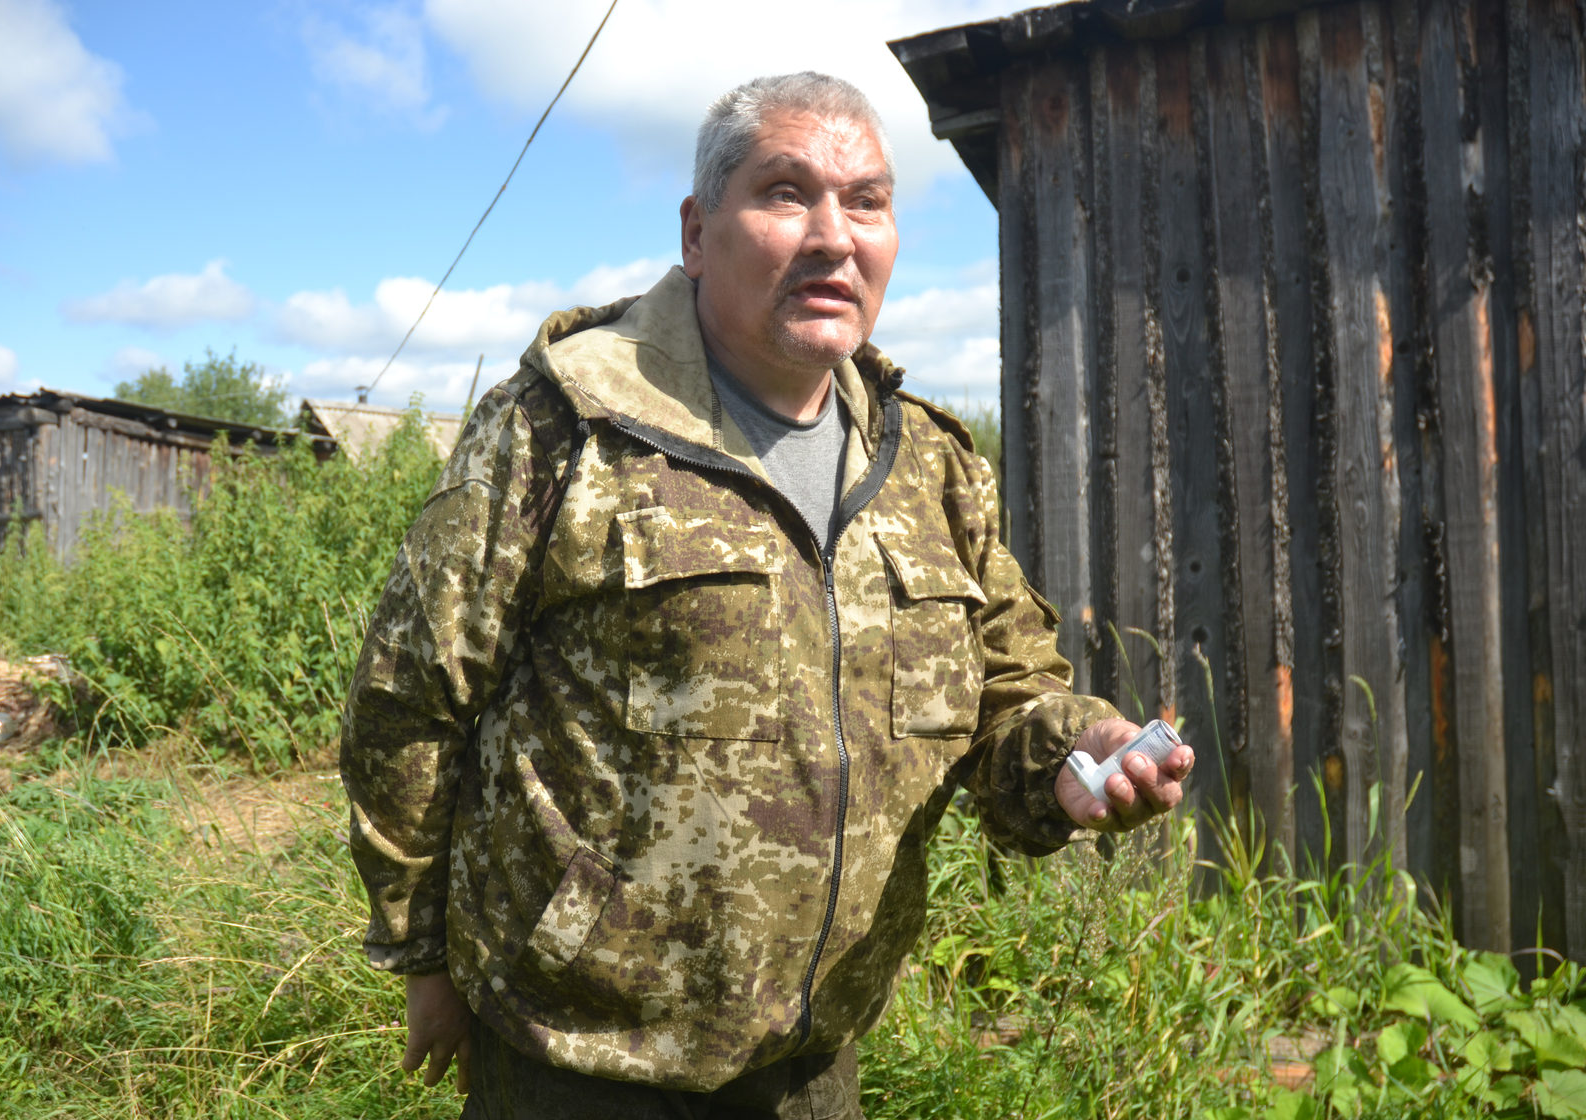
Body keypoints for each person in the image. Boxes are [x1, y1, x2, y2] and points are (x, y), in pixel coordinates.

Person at [340, 71, 1194, 1120]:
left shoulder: (926, 462)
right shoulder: (565, 425)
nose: (834, 236)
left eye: (867, 201)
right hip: (575, 1056)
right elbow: (408, 698)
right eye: (786, 193)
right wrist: (424, 956)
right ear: (698, 233)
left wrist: (1076, 754)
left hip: (812, 1059)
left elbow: (1006, 692)